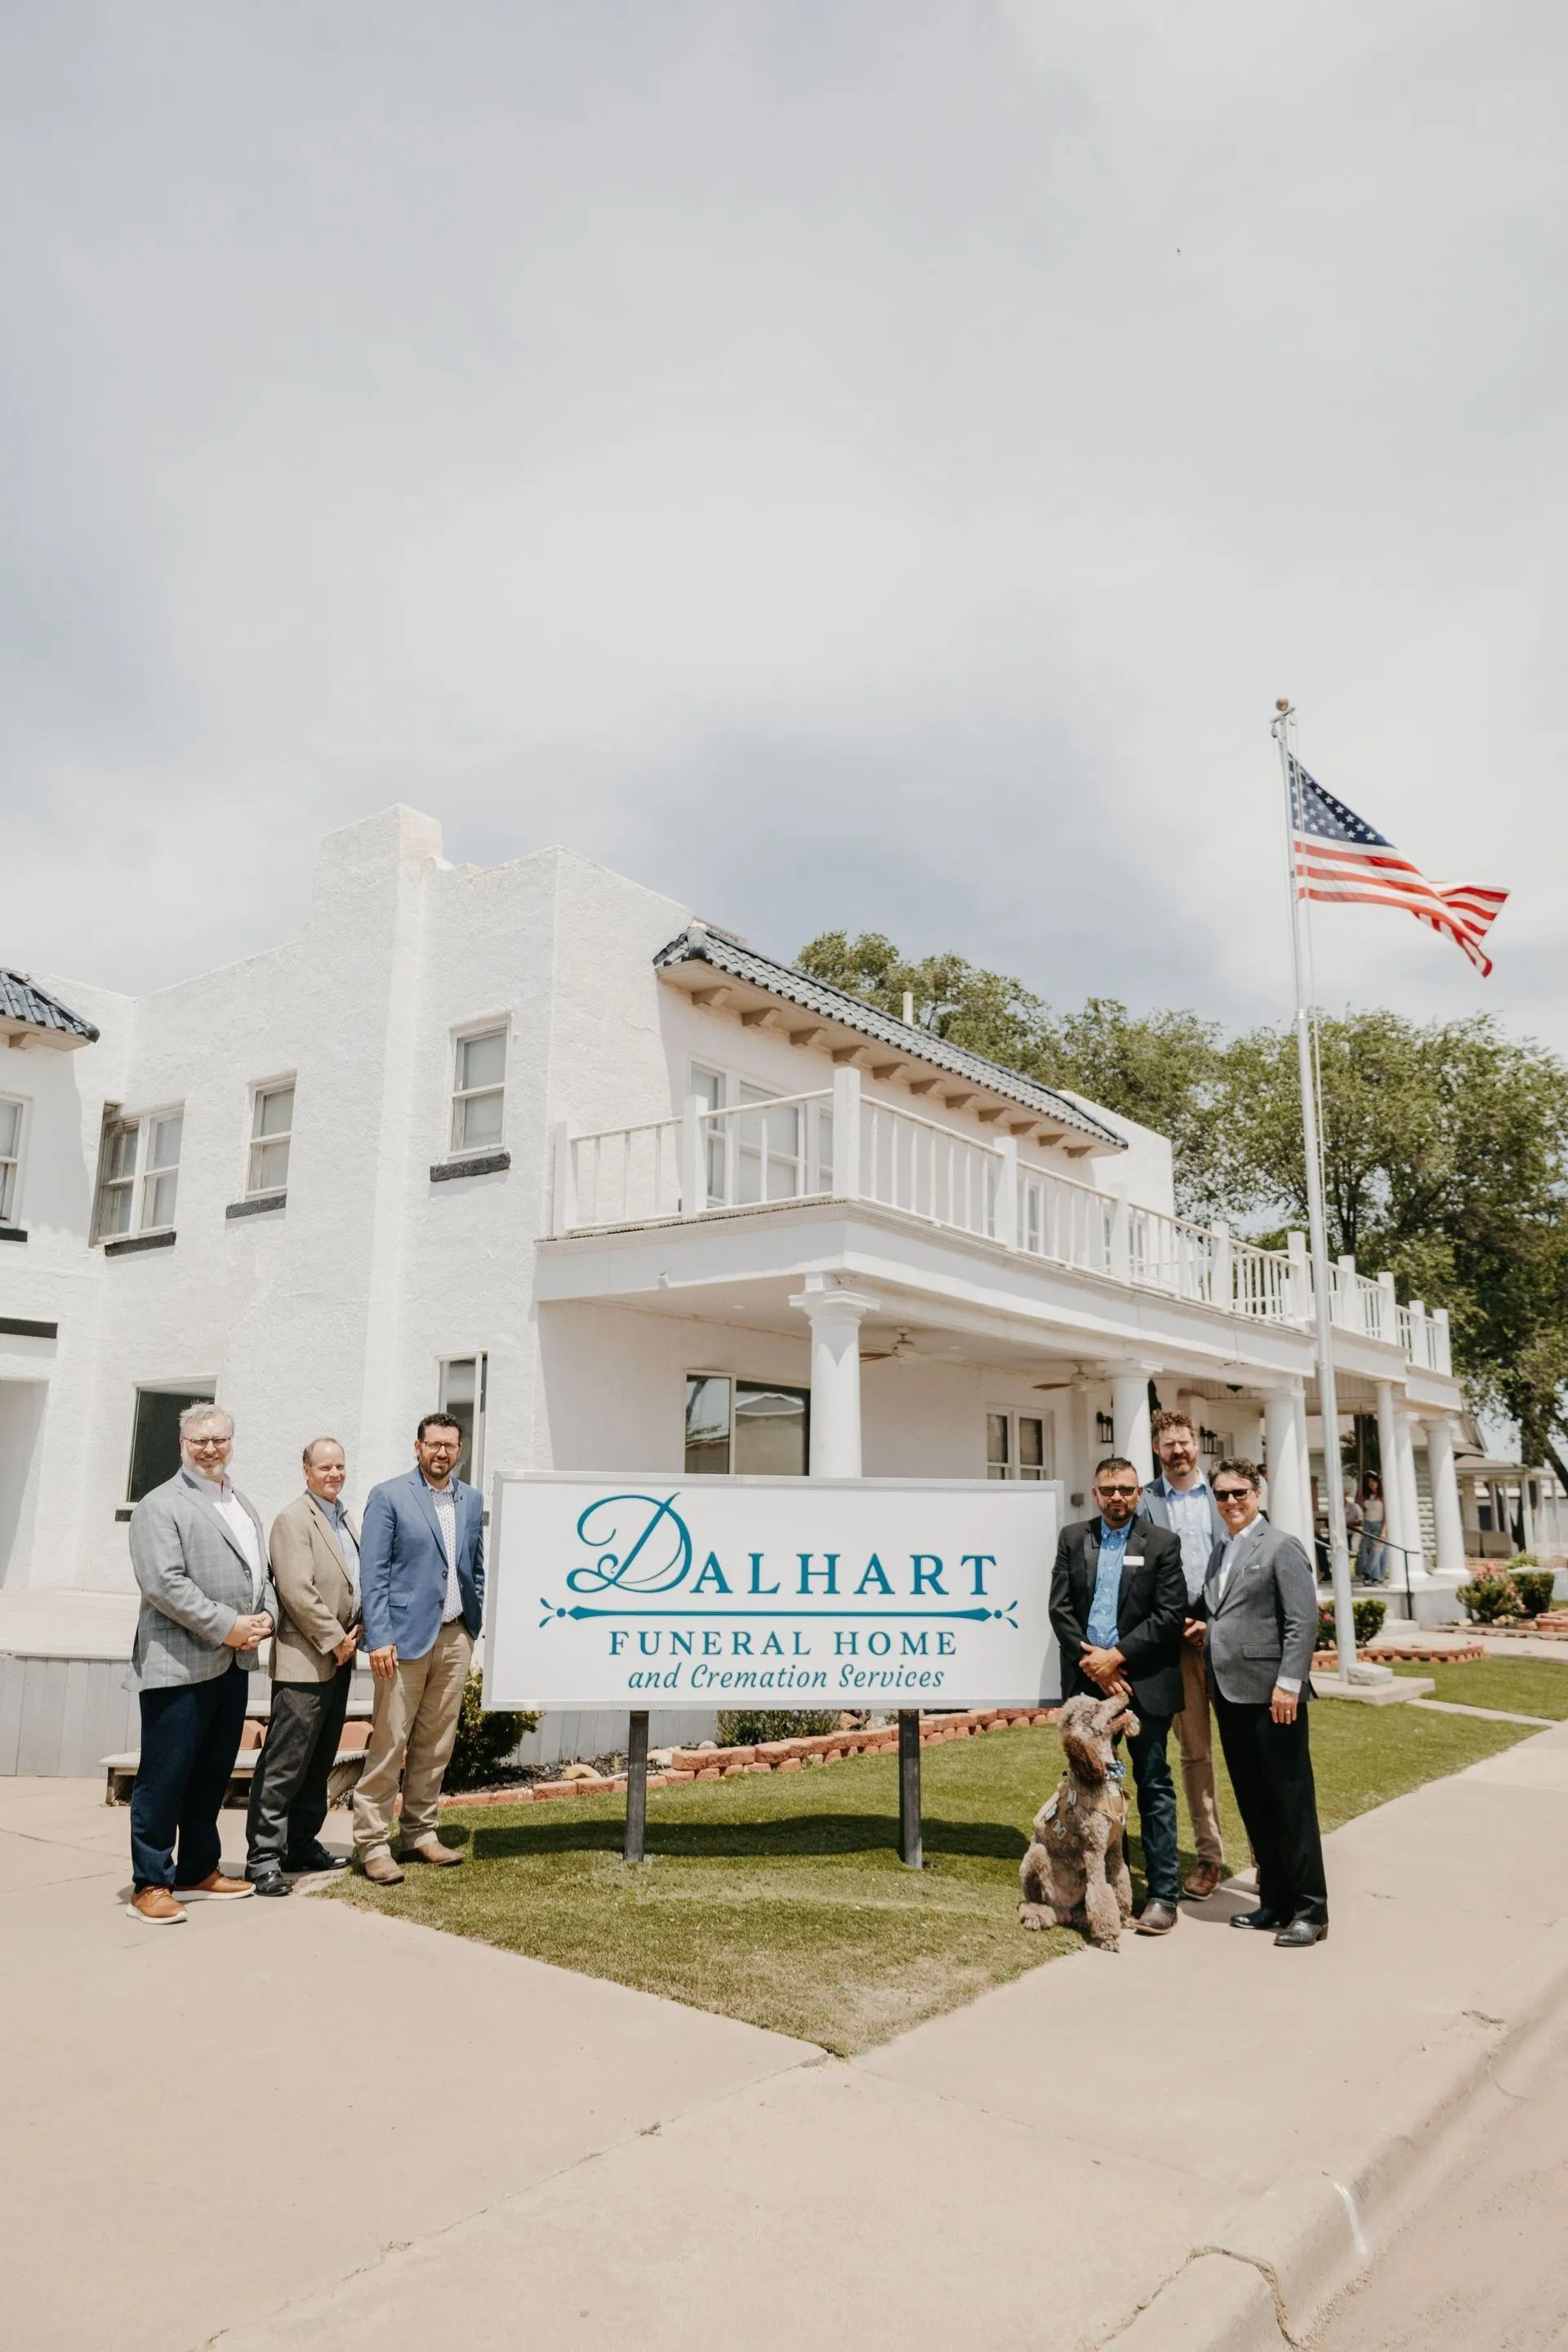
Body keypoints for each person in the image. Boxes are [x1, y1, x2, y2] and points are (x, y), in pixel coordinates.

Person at [124, 1405, 274, 1924]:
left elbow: (261, 1574)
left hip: (233, 1664)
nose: (210, 1448)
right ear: (182, 1444)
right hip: (179, 1664)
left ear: (232, 1441)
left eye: (219, 1439)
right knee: (164, 1777)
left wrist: (265, 1618)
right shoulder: (159, 1504)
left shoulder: (240, 1502)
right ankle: (151, 1882)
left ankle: (198, 1869)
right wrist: (230, 1625)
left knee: (211, 1775)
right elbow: (164, 1584)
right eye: (199, 1440)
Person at [1049, 1455, 1189, 1936]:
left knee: (1151, 1784)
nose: (1118, 1497)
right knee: (1091, 1792)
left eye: (1127, 1489)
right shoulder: (1073, 1538)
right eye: (1109, 1489)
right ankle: (1106, 1888)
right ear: (1095, 1492)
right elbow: (1060, 1608)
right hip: (1089, 1689)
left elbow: (1170, 1615)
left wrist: (1117, 1658)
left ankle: (1163, 1896)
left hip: (1143, 1682)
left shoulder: (1163, 1544)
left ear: (1139, 1493)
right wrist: (1093, 1660)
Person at [1196, 1457, 1328, 1947]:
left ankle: (1310, 1910)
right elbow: (1228, 1614)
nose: (1230, 1502)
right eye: (1222, 1495)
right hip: (1229, 1694)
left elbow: (1302, 1621)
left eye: (1239, 1493)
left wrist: (1289, 1684)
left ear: (1258, 1493)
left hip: (1275, 1697)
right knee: (1254, 1803)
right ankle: (1273, 1901)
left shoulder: (1282, 1547)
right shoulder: (1220, 1551)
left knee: (1290, 1803)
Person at [351, 1414, 484, 1884]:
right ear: (418, 1447)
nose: (441, 1453)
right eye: (433, 1444)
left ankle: (420, 1833)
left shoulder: (471, 1500)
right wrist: (379, 1636)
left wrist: (473, 1625)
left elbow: (473, 1567)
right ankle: (371, 1844)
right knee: (390, 1742)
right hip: (401, 1640)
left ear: (459, 1450)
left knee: (435, 1744)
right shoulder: (389, 1496)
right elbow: (374, 1573)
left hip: (453, 1637)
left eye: (450, 1445)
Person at [245, 1438, 362, 1895]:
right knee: (286, 1762)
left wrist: (357, 1634)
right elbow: (296, 1590)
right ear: (306, 1471)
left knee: (319, 1761)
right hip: (305, 1661)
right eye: (325, 1466)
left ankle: (302, 1845)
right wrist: (335, 1640)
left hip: (342, 1657)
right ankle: (264, 1859)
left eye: (340, 1466)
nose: (334, 1474)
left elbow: (356, 1582)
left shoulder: (345, 1518)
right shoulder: (293, 1519)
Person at [1139, 1408, 1228, 1901]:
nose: (1178, 1450)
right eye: (1169, 1444)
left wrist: (1213, 1624)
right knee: (1195, 1752)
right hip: (1175, 1641)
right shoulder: (1146, 1502)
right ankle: (1209, 1858)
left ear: (1198, 1444)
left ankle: (1265, 1856)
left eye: (1185, 1441)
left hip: (1226, 1637)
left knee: (1245, 1750)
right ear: (1158, 1450)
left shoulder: (1226, 1496)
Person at [1356, 1472, 1388, 1584]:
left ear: (1378, 1482)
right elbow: (1365, 1510)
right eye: (1369, 1482)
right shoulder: (1367, 1496)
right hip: (1367, 1525)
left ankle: (1367, 1572)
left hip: (1378, 1525)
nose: (1371, 1484)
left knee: (1376, 1550)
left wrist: (1384, 1531)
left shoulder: (1383, 1497)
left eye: (1373, 1482)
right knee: (1367, 1551)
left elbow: (1387, 1515)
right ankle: (1376, 1578)